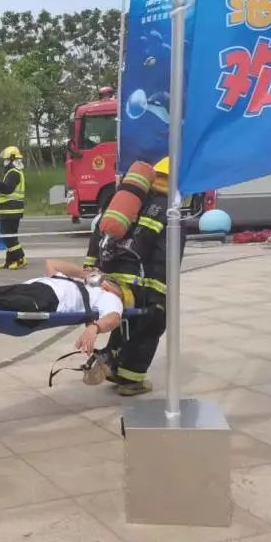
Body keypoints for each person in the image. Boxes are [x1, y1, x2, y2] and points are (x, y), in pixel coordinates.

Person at [86, 157, 172, 396]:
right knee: (152, 323)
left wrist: (91, 268)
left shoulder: (124, 202)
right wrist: (158, 294)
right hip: (138, 283)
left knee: (125, 320)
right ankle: (131, 379)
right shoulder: (167, 210)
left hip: (109, 281)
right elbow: (165, 256)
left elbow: (98, 234)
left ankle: (113, 361)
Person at [0, 146, 27, 270]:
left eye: (6, 160)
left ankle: (20, 258)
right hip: (11, 209)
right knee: (10, 237)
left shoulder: (13, 173)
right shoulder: (15, 172)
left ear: (12, 159)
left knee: (7, 236)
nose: (4, 162)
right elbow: (7, 187)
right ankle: (10, 261)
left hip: (10, 209)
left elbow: (7, 189)